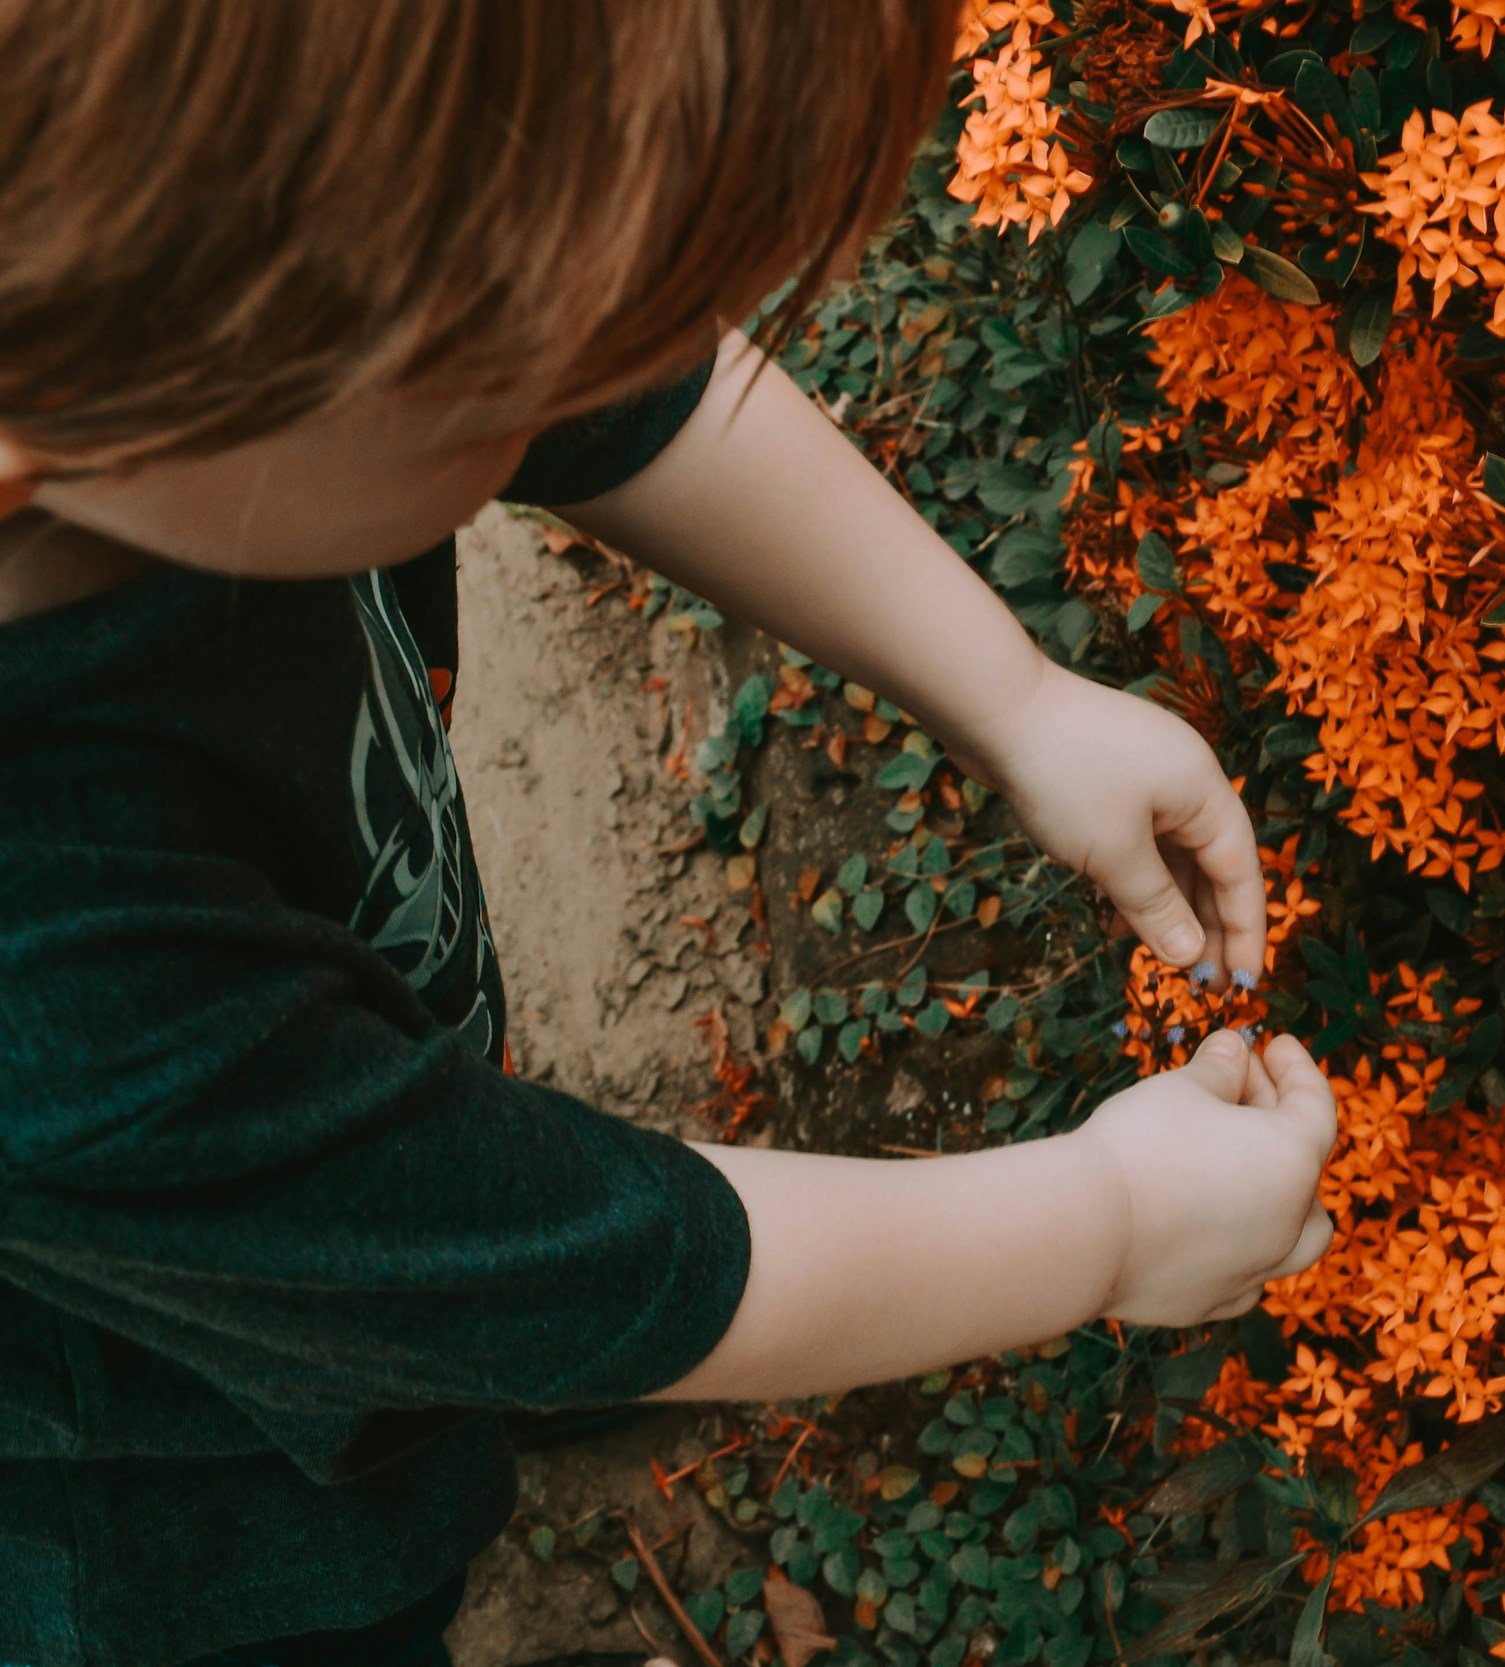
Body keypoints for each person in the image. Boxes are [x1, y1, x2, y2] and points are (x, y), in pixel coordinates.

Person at [0, 5, 1338, 1665]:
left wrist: (1016, 695)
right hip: (178, 1529)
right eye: (503, 374)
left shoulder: (184, 338)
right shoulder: (50, 993)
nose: (582, 364)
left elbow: (608, 392)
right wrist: (1114, 1224)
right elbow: (586, 1264)